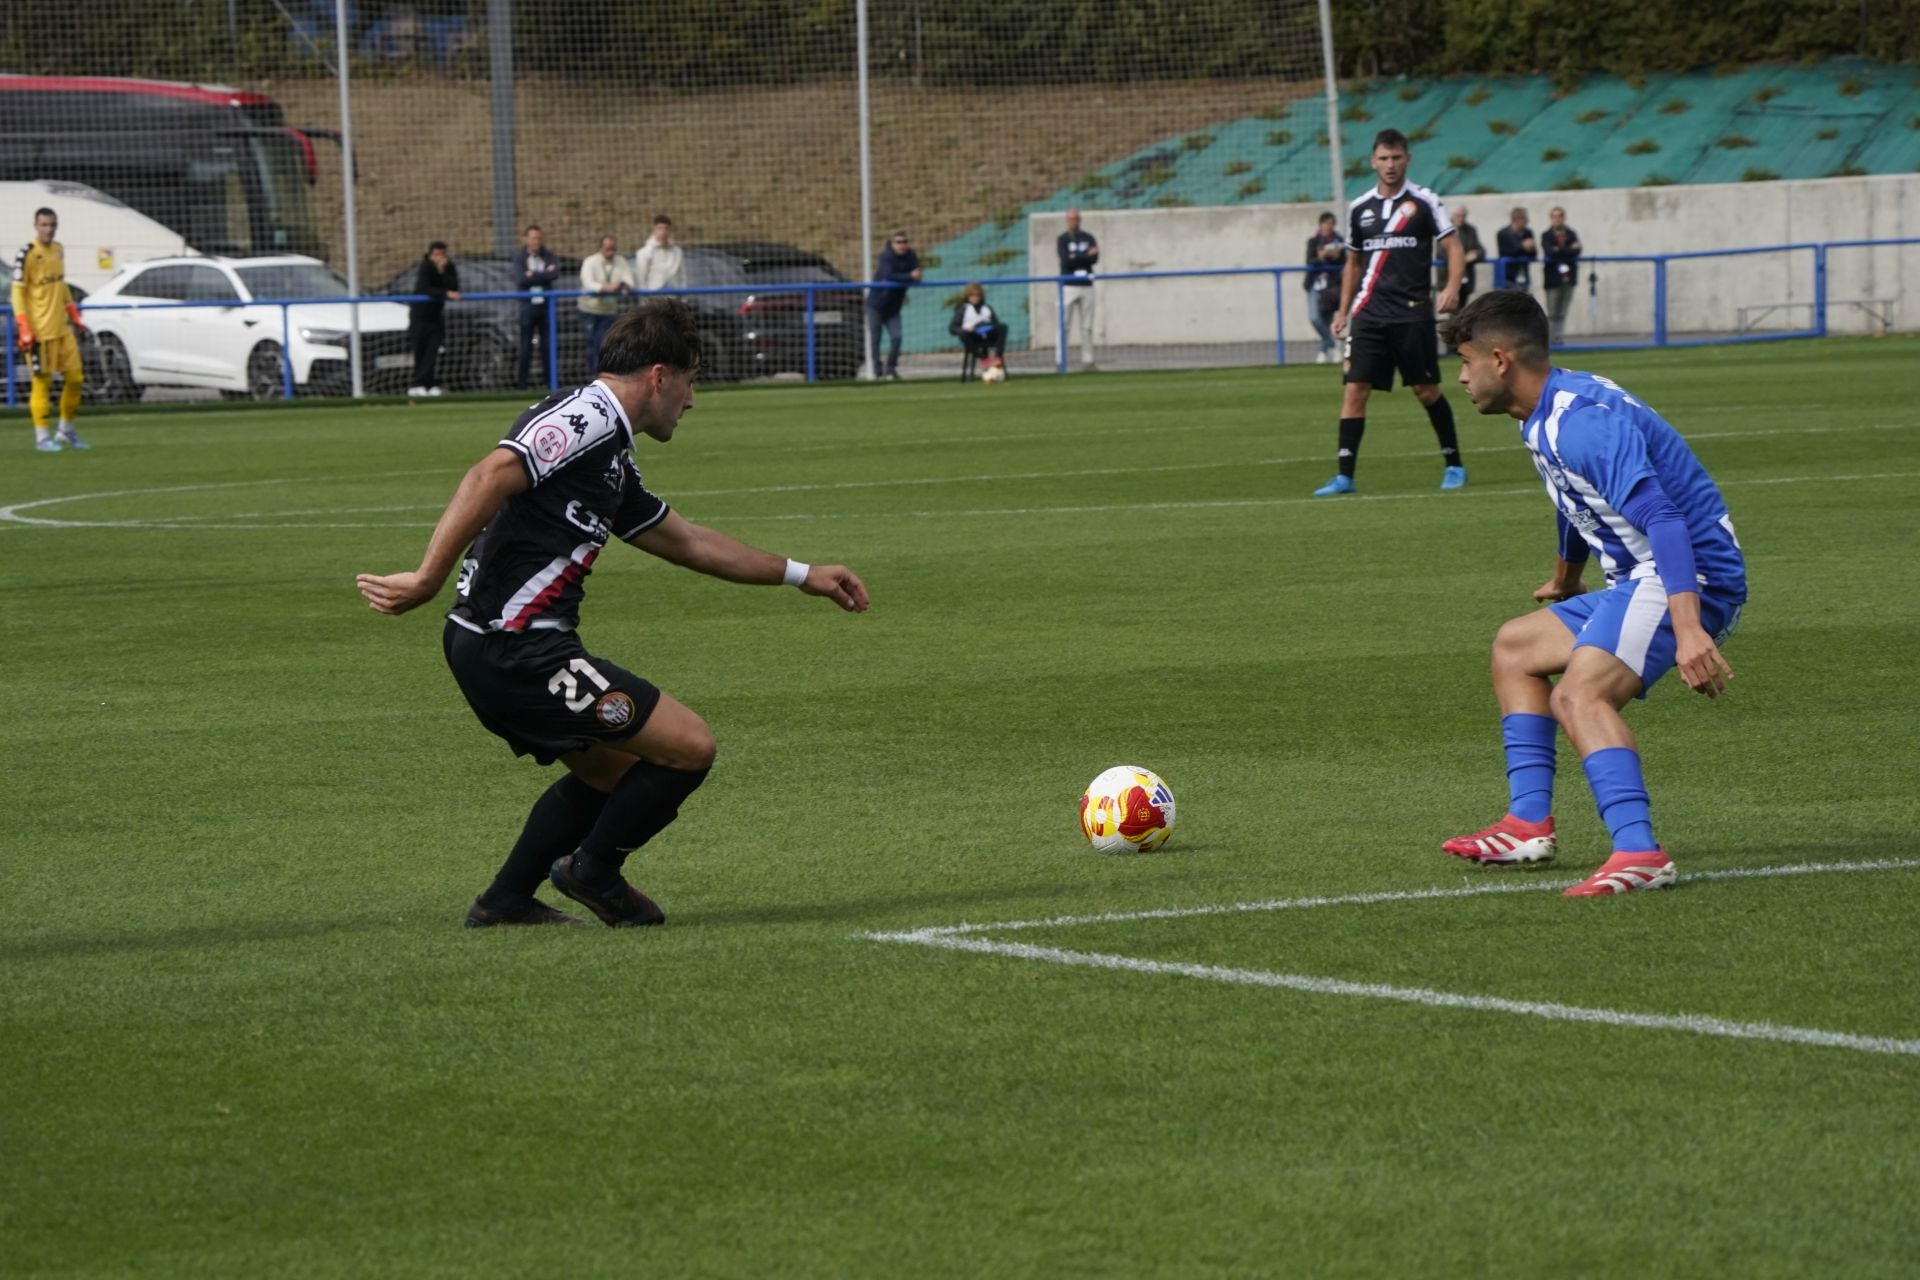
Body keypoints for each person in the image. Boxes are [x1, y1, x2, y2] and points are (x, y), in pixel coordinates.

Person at [355, 300, 871, 929]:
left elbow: (687, 542)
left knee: (617, 776)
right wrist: (427, 577)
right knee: (689, 747)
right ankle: (592, 871)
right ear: (660, 375)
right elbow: (490, 473)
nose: (693, 399)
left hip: (502, 646)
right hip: (514, 647)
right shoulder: (588, 417)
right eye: (692, 379)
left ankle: (506, 900)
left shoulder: (611, 454)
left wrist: (802, 574)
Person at [1436, 289, 1746, 896]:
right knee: (1515, 648)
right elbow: (1575, 498)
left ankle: (1638, 851)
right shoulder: (1542, 410)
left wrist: (1689, 629)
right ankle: (1527, 823)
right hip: (1643, 575)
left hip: (1687, 574)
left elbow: (1663, 518)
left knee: (1579, 697)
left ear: (1500, 360)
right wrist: (1567, 576)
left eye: (1466, 362)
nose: (1462, 377)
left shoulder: (1579, 423)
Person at [1314, 128, 1466, 497]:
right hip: (1368, 314)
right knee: (1355, 390)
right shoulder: (1360, 208)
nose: (1390, 165)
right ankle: (1345, 476)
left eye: (1396, 158)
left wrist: (1451, 286)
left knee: (1425, 390)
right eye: (1383, 158)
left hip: (1412, 313)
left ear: (1407, 159)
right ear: (1373, 162)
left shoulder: (1424, 200)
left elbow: (1453, 246)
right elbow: (1352, 262)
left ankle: (1454, 464)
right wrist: (1343, 310)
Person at [13, 207, 88, 451]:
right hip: (40, 331)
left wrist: (74, 314)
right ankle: (42, 437)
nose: (48, 229)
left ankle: (66, 431)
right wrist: (24, 326)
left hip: (61, 329)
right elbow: (17, 292)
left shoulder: (58, 250)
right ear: (36, 226)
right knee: (42, 382)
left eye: (52, 224)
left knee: (76, 378)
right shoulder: (28, 253)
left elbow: (61, 284)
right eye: (44, 225)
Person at [407, 241, 461, 397]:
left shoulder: (448, 267)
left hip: (435, 316)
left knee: (433, 350)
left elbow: (454, 286)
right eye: (436, 255)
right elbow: (425, 288)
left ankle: (429, 383)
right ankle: (417, 383)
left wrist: (442, 271)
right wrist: (445, 293)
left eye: (442, 254)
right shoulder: (425, 267)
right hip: (419, 316)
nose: (440, 258)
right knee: (420, 350)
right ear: (430, 255)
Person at [865, 229, 920, 380]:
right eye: (899, 242)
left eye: (905, 242)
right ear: (892, 244)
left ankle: (890, 368)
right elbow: (888, 275)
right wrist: (908, 276)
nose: (902, 245)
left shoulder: (911, 255)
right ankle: (877, 370)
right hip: (876, 305)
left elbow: (918, 274)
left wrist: (912, 276)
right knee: (875, 339)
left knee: (897, 337)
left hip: (893, 307)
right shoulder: (886, 256)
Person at [511, 224, 560, 390]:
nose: (536, 241)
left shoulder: (548, 255)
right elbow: (521, 279)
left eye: (539, 238)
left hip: (546, 307)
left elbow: (554, 274)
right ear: (526, 239)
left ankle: (550, 384)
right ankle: (522, 384)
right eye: (533, 238)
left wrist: (533, 275)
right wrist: (543, 275)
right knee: (526, 347)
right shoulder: (519, 257)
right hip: (528, 307)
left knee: (547, 346)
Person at [580, 234, 635, 374]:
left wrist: (624, 286)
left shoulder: (621, 261)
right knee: (592, 346)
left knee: (604, 344)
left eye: (613, 249)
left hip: (609, 311)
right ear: (600, 248)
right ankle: (592, 378)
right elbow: (588, 283)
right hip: (589, 310)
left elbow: (629, 280)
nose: (610, 252)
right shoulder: (590, 261)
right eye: (607, 249)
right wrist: (606, 288)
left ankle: (600, 377)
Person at [1056, 207, 1099, 371]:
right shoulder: (1062, 239)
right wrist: (1084, 256)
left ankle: (1088, 361)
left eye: (1076, 219)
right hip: (1068, 285)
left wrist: (1078, 256)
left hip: (1086, 285)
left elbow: (1095, 258)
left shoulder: (1088, 237)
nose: (1074, 222)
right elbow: (1066, 260)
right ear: (1067, 221)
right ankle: (1061, 361)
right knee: (1064, 325)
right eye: (1071, 219)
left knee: (1087, 326)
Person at [1303, 211, 1345, 364]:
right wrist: (1320, 257)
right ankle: (1334, 344)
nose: (1329, 227)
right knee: (1315, 317)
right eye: (1326, 223)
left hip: (1332, 286)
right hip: (1315, 284)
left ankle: (1323, 351)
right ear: (1320, 224)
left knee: (1327, 320)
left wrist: (1336, 256)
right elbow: (1310, 262)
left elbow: (1345, 262)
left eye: (1331, 224)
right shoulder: (1313, 242)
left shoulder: (1339, 241)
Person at [1541, 207, 1583, 347]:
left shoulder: (1571, 234)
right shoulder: (1546, 235)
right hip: (1553, 279)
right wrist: (1568, 250)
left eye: (1560, 216)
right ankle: (1551, 339)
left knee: (1563, 311)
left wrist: (1560, 250)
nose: (1557, 219)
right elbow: (1550, 252)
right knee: (1552, 311)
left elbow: (1577, 251)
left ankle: (1558, 338)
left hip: (1568, 277)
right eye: (1554, 216)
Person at [948, 281, 1006, 375]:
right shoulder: (963, 309)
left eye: (977, 296)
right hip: (972, 335)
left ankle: (997, 356)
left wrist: (988, 325)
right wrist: (965, 329)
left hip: (987, 334)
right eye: (972, 296)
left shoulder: (987, 308)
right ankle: (982, 357)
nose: (975, 298)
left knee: (1003, 327)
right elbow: (952, 328)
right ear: (968, 296)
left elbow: (995, 323)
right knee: (965, 335)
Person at [633, 215, 683, 293]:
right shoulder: (643, 253)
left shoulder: (677, 252)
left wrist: (684, 298)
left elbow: (682, 276)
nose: (663, 232)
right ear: (654, 230)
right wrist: (644, 301)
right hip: (654, 297)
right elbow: (641, 279)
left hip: (674, 297)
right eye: (660, 228)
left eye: (666, 229)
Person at [1495, 207, 1536, 292]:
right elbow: (1506, 252)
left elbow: (1533, 253)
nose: (1527, 221)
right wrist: (1522, 246)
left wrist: (1528, 248)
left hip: (1523, 274)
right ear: (1517, 219)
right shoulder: (1503, 233)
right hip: (1508, 276)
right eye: (1525, 218)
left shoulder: (1528, 232)